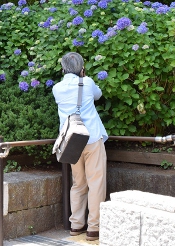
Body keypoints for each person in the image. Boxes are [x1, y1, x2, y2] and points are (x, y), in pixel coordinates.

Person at [52, 52, 108, 242]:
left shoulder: (57, 88)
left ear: (63, 69)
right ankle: (94, 228)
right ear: (82, 69)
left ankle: (76, 224)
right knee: (96, 183)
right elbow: (98, 96)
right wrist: (84, 78)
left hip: (71, 142)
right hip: (91, 138)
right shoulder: (89, 83)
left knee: (78, 183)